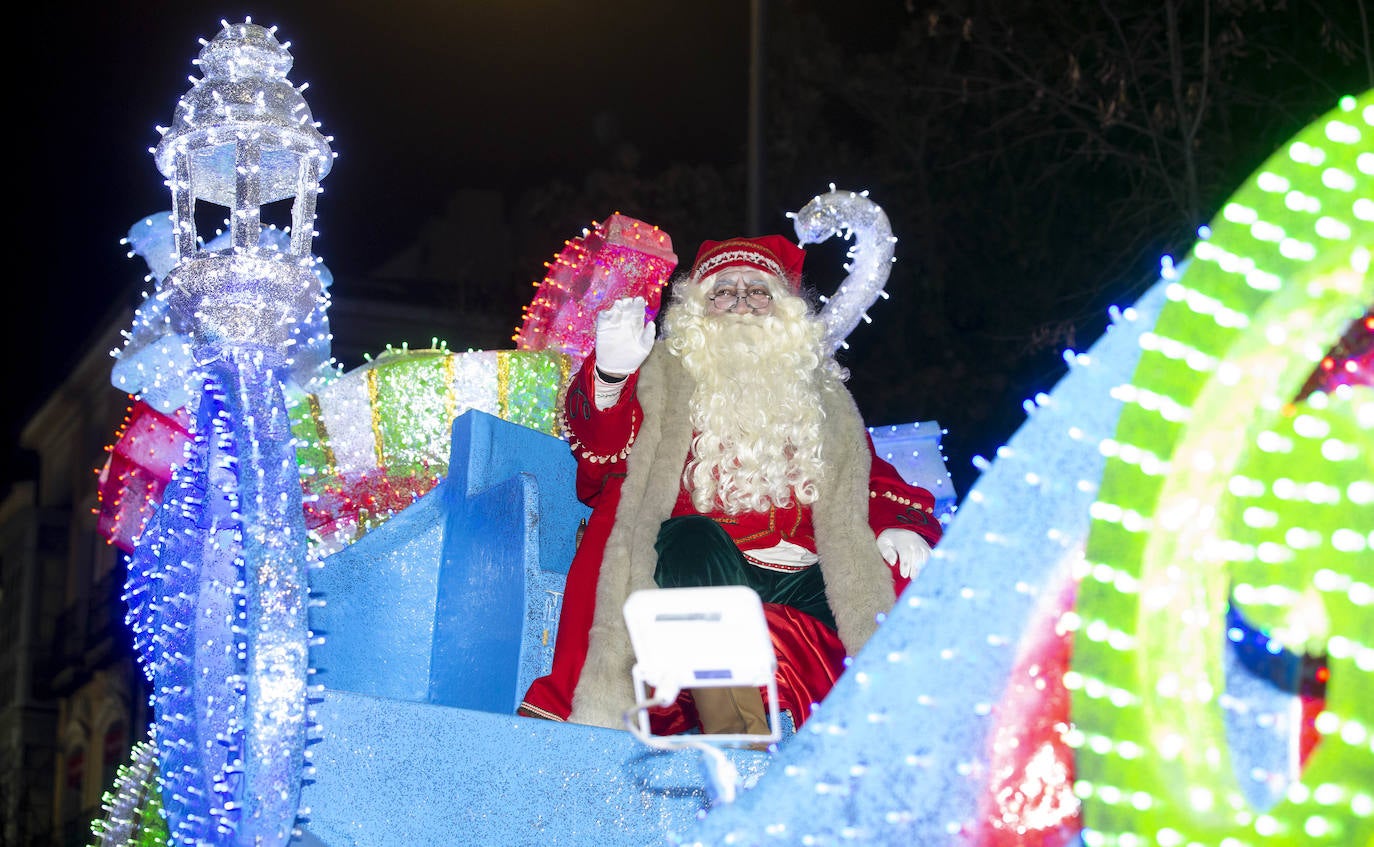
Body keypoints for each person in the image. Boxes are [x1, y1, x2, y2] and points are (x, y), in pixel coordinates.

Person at [518, 235, 942, 740]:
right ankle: (736, 732)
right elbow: (603, 455)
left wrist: (898, 526)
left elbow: (870, 477)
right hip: (703, 565)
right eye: (723, 292)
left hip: (809, 577)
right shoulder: (664, 377)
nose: (741, 303)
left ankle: (888, 741)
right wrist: (611, 374)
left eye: (758, 292)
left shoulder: (821, 394)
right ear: (698, 309)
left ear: (783, 309)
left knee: (885, 589)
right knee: (690, 538)